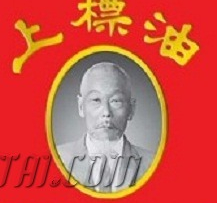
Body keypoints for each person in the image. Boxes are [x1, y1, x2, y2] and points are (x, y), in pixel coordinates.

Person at [56, 62, 155, 193]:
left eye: (116, 101)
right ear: (81, 106)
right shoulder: (57, 159)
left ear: (131, 109)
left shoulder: (153, 163)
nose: (106, 112)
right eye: (96, 100)